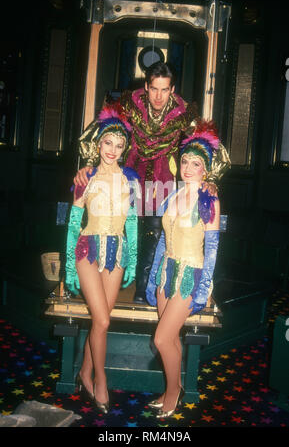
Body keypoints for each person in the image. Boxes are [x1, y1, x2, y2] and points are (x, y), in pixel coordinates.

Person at [74, 62, 230, 302]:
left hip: (164, 178)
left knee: (157, 232)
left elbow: (207, 144)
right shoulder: (130, 104)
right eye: (154, 89)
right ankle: (105, 287)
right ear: (146, 86)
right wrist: (89, 162)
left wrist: (211, 179)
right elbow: (102, 130)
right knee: (124, 228)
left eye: (164, 90)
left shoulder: (184, 112)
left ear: (172, 89)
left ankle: (144, 291)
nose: (158, 96)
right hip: (131, 174)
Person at [65, 102, 139, 413]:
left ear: (125, 149)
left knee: (100, 322)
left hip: (118, 253)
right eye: (108, 142)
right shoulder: (85, 177)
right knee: (104, 318)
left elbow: (133, 222)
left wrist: (132, 259)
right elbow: (73, 221)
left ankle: (84, 371)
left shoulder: (131, 178)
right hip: (88, 249)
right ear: (98, 144)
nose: (113, 149)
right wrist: (69, 264)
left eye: (119, 145)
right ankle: (100, 379)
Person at [145, 120, 220, 418]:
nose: (188, 168)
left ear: (206, 169)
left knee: (161, 338)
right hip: (167, 271)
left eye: (196, 163)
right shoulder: (172, 195)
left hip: (191, 274)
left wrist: (204, 289)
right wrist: (154, 278)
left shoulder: (209, 197)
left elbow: (212, 248)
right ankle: (171, 387)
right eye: (186, 161)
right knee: (171, 338)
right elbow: (164, 241)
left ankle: (174, 392)